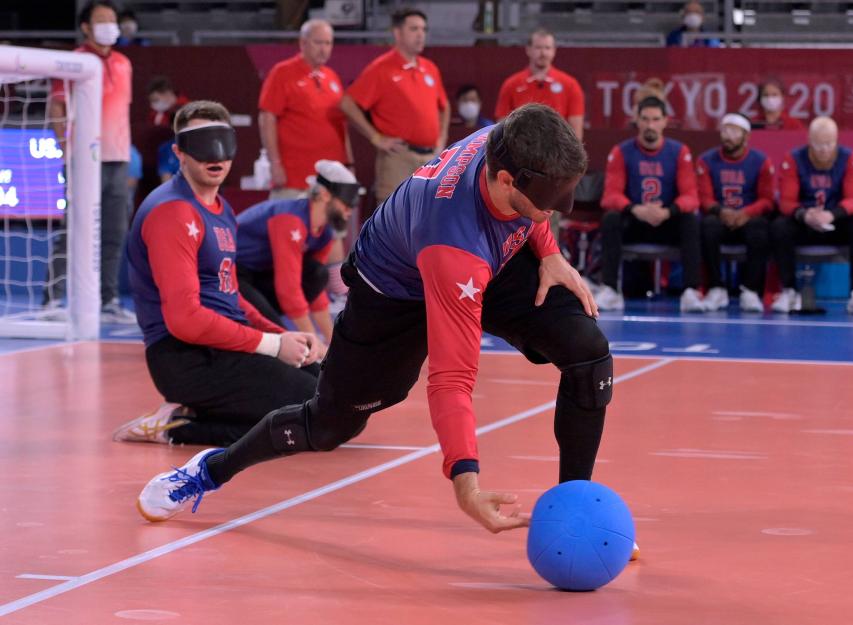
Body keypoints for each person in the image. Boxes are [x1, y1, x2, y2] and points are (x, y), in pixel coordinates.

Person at [135, 104, 614, 537]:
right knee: (327, 426)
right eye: (551, 202)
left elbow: (535, 207)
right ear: (508, 180)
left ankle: (575, 511)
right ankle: (209, 470)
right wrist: (467, 486)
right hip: (395, 295)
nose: (556, 211)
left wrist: (549, 252)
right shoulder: (453, 243)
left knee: (587, 351)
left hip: (487, 256)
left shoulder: (513, 136)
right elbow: (451, 379)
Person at [113, 100, 326, 447]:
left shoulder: (220, 207)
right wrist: (273, 346)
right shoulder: (173, 212)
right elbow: (185, 320)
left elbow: (230, 294)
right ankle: (179, 427)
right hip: (187, 358)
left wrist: (285, 335)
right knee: (315, 415)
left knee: (328, 393)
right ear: (180, 153)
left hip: (223, 347)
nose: (215, 156)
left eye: (222, 144)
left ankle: (198, 413)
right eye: (201, 144)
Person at [47, 0, 135, 323]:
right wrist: (65, 148)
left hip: (118, 159)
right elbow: (57, 107)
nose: (110, 25)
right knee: (72, 229)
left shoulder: (125, 63)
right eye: (102, 20)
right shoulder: (73, 61)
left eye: (113, 20)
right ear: (86, 27)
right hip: (84, 160)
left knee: (114, 232)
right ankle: (52, 300)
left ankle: (108, 299)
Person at [595, 96, 705, 312]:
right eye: (645, 119)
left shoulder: (679, 152)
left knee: (690, 220)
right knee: (610, 218)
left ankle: (690, 291)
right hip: (635, 222)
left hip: (666, 222)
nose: (650, 125)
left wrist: (667, 212)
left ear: (665, 121)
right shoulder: (622, 151)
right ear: (637, 120)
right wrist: (636, 209)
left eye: (655, 119)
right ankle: (610, 289)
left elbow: (691, 196)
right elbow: (610, 196)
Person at [235, 160, 361, 343]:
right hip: (233, 273)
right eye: (346, 203)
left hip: (261, 275)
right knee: (282, 337)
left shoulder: (324, 232)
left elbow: (316, 289)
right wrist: (314, 343)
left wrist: (335, 343)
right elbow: (288, 287)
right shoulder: (290, 220)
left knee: (317, 273)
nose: (349, 210)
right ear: (325, 195)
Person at [341, 8, 450, 202]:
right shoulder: (381, 68)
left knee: (427, 214)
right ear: (397, 33)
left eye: (423, 30)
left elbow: (444, 106)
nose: (420, 35)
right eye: (414, 29)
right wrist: (376, 138)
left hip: (430, 157)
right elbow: (348, 104)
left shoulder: (429, 68)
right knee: (391, 216)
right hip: (398, 157)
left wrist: (441, 139)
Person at [770, 116, 853, 315]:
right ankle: (789, 290)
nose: (824, 149)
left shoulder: (850, 157)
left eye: (829, 143)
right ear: (809, 141)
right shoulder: (793, 158)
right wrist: (804, 214)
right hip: (805, 221)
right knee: (779, 227)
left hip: (836, 221)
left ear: (836, 141)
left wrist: (831, 215)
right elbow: (786, 201)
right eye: (819, 144)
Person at [258, 19, 353, 200]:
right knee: (291, 226)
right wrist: (274, 164)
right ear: (302, 43)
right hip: (295, 177)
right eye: (318, 42)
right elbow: (267, 118)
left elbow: (341, 124)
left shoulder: (331, 77)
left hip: (331, 180)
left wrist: (348, 162)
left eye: (328, 43)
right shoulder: (282, 72)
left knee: (333, 228)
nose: (324, 49)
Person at [697, 113, 775, 313]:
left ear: (746, 136)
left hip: (747, 220)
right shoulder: (706, 160)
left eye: (734, 131)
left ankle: (750, 290)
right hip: (720, 218)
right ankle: (716, 288)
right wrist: (721, 211)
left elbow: (767, 199)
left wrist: (746, 213)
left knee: (760, 227)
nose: (728, 135)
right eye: (724, 130)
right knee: (707, 226)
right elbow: (704, 197)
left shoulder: (761, 161)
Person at [494, 28, 584, 140]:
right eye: (538, 47)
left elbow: (576, 130)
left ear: (554, 51)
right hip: (520, 149)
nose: (543, 53)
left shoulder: (570, 84)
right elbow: (501, 126)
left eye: (547, 48)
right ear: (528, 50)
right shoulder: (511, 84)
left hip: (557, 151)